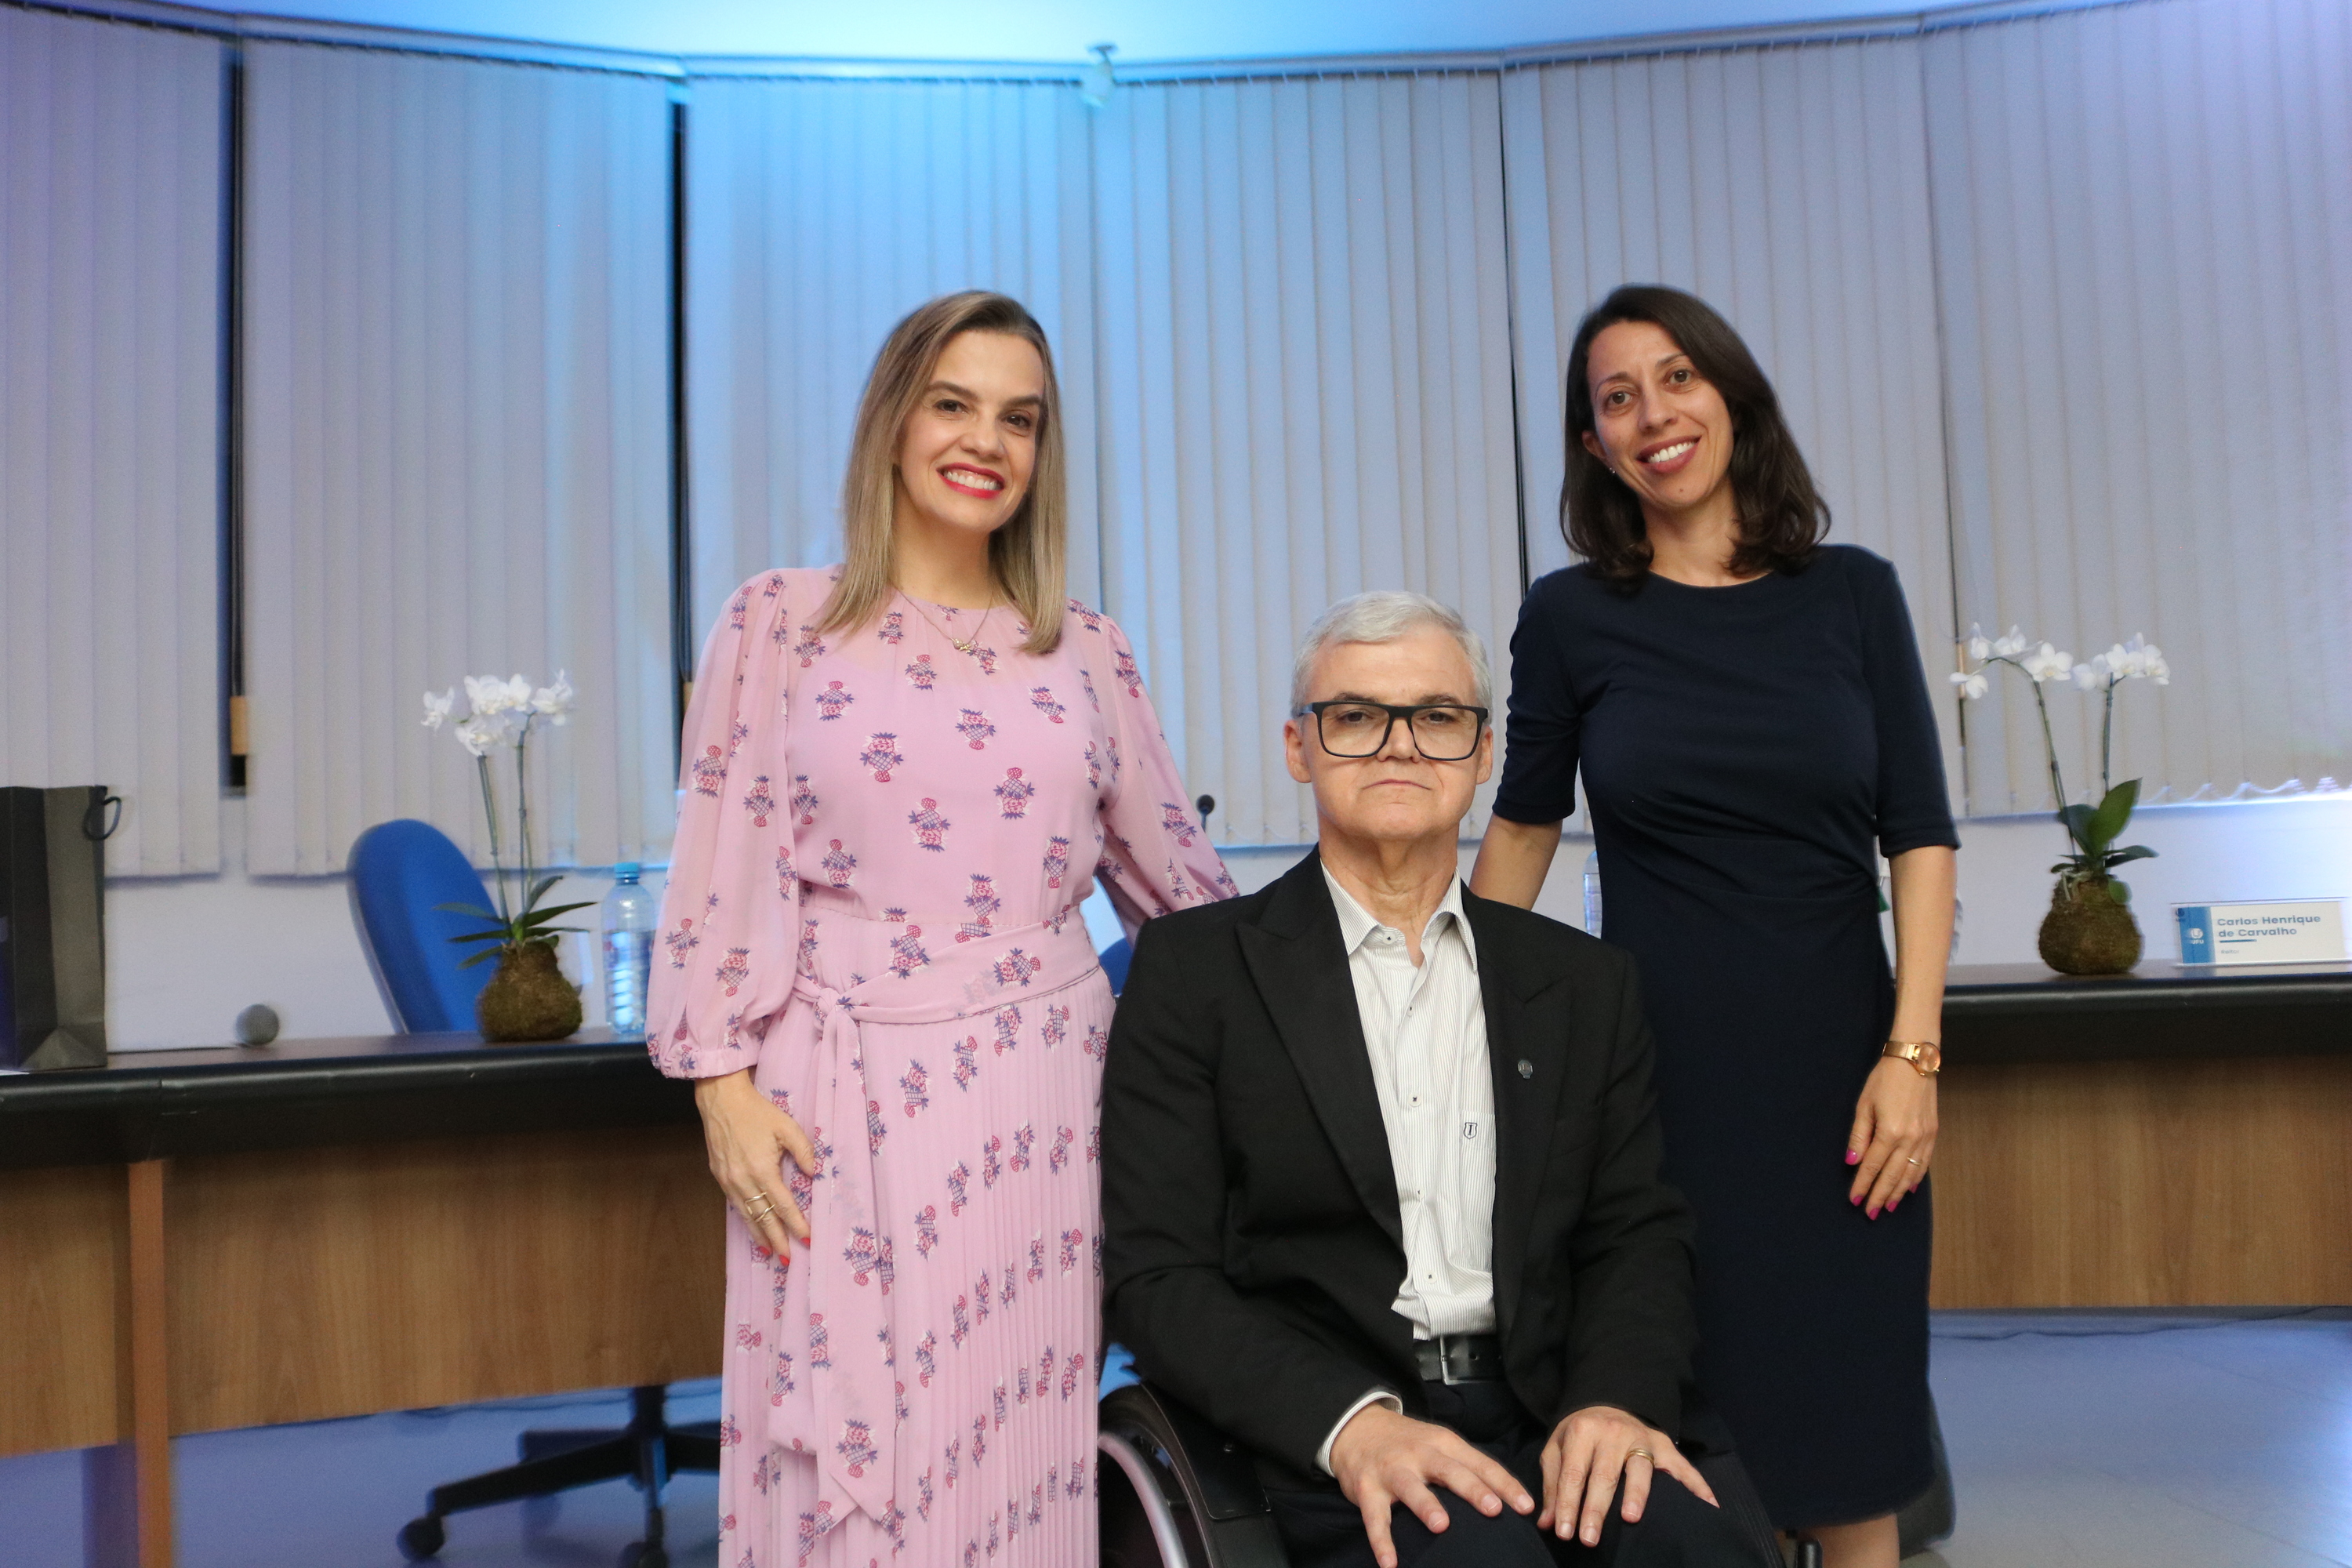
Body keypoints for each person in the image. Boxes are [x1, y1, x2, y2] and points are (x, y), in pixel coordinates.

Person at [648, 290, 1232, 1567]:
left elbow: (1184, 896)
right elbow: (719, 863)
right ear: (893, 422)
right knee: (844, 1464)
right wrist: (721, 1091)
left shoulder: (1086, 650)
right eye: (953, 405)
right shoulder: (780, 620)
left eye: (1020, 419)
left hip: (1045, 1105)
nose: (987, 442)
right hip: (833, 1103)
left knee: (1014, 1451)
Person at [1103, 592, 1773, 1568]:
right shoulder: (1194, 972)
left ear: (1483, 751)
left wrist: (1613, 1399)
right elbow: (1158, 1277)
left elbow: (1635, 1232)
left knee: (1694, 1546)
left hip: (1552, 1406)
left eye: (1437, 716)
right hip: (1329, 1431)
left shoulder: (1583, 982)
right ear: (1299, 746)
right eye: (1356, 715)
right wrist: (1350, 1426)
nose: (1400, 745)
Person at [1468, 285, 1960, 1568]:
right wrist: (1433, 1004)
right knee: (1690, 1438)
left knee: (1851, 1441)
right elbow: (1522, 830)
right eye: (1617, 398)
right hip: (1659, 1085)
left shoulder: (1854, 594)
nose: (1654, 414)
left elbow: (1919, 834)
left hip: (1844, 1081)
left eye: (1677, 378)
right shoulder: (1572, 617)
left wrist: (1913, 1054)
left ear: (1731, 395)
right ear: (1594, 444)